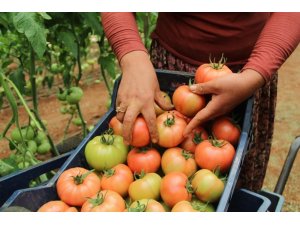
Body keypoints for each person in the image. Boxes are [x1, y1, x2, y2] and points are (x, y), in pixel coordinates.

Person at [101, 12, 300, 191]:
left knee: (238, 181)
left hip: (248, 75)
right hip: (169, 69)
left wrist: (254, 75)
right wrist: (132, 56)